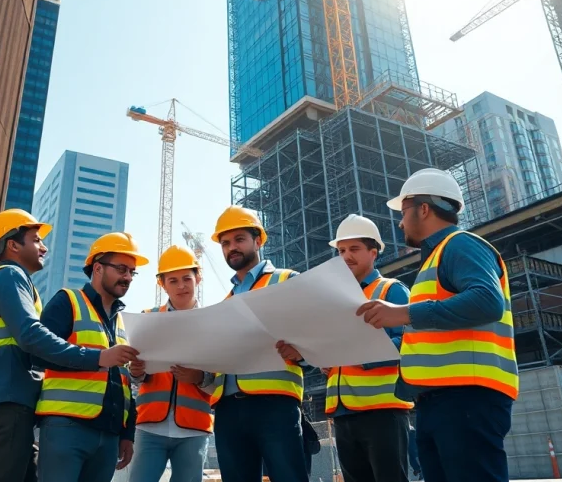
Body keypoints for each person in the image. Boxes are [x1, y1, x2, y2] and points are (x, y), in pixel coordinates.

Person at [356, 168, 518, 482]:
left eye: (403, 212)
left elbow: (487, 302)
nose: (401, 222)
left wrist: (403, 313)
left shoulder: (461, 245)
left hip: (467, 398)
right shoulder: (435, 259)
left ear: (424, 208)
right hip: (438, 402)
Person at [0, 209, 90, 482]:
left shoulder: (12, 281)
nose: (44, 247)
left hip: (8, 399)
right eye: (36, 240)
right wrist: (92, 357)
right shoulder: (9, 277)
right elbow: (30, 334)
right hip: (6, 399)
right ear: (13, 244)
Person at [33, 232, 149, 482]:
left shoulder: (122, 323)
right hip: (66, 427)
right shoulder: (68, 301)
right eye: (121, 269)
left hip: (108, 435)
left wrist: (127, 433)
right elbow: (40, 354)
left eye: (132, 271)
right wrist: (100, 358)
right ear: (97, 268)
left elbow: (124, 384)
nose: (127, 277)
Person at [208, 205, 310, 482]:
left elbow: (316, 332)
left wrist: (302, 352)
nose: (232, 248)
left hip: (274, 404)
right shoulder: (224, 302)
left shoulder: (287, 280)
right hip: (227, 409)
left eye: (239, 239)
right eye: (226, 243)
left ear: (258, 241)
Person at [324, 214, 414, 482]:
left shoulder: (391, 290)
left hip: (382, 411)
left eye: (354, 249)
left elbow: (411, 343)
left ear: (373, 252)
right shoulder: (336, 300)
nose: (346, 256)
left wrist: (364, 357)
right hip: (342, 413)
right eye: (341, 251)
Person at [127, 245, 216, 482]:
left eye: (187, 278)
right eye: (173, 280)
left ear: (198, 278)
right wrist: (135, 371)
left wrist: (198, 378)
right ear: (162, 284)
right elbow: (135, 376)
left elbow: (220, 380)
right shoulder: (147, 318)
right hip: (149, 427)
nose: (181, 286)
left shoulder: (213, 323)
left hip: (194, 428)